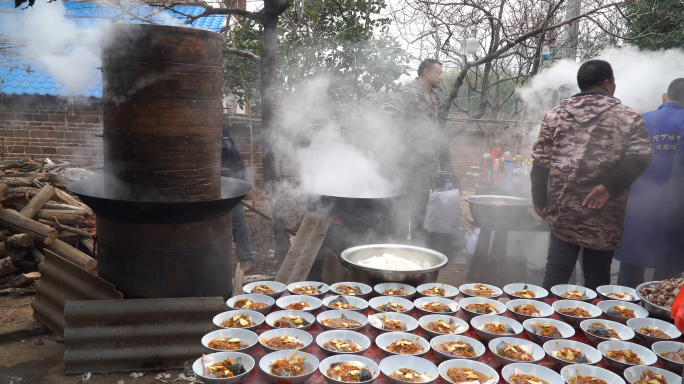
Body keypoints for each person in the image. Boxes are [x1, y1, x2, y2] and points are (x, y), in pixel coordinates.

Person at [531, 59, 653, 291]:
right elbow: (642, 156)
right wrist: (609, 187)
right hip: (604, 214)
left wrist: (539, 199)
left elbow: (540, 162)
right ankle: (593, 325)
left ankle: (545, 320)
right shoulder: (628, 117)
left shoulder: (554, 116)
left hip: (563, 209)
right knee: (597, 277)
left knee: (557, 270)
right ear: (607, 83)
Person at [615, 79, 684, 287]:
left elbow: (620, 161)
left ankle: (621, 312)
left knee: (631, 265)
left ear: (665, 96)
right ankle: (659, 316)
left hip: (637, 207)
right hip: (676, 211)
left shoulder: (641, 120)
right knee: (668, 274)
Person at [382, 58, 456, 244]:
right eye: (438, 73)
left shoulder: (435, 98)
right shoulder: (407, 93)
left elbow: (436, 130)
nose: (441, 77)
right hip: (407, 166)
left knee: (420, 212)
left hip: (426, 169)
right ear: (427, 73)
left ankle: (415, 253)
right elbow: (386, 114)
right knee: (401, 212)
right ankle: (395, 254)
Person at [221, 126, 257, 273]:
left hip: (231, 180)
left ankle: (246, 258)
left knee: (237, 219)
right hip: (211, 181)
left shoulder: (220, 132)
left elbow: (235, 161)